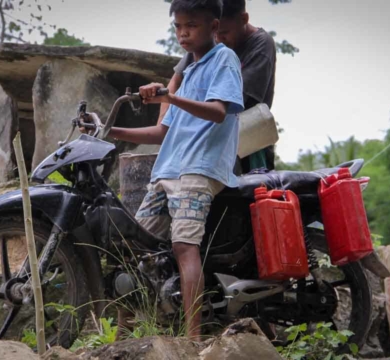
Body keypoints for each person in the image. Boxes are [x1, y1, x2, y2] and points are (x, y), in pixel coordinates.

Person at [106, 0, 244, 340]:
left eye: (192, 26)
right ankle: (126, 334)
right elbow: (163, 132)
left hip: (199, 168)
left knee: (184, 246)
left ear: (213, 26)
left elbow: (216, 112)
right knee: (133, 245)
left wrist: (170, 95)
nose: (183, 33)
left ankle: (192, 338)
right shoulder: (187, 72)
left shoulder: (223, 59)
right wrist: (110, 131)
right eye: (178, 26)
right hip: (167, 169)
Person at [159, 0, 277, 174]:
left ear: (243, 19)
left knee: (246, 193)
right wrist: (164, 127)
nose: (218, 39)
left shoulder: (260, 44)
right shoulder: (206, 42)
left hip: (245, 138)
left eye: (224, 33)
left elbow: (228, 104)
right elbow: (175, 81)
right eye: (215, 34)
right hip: (203, 142)